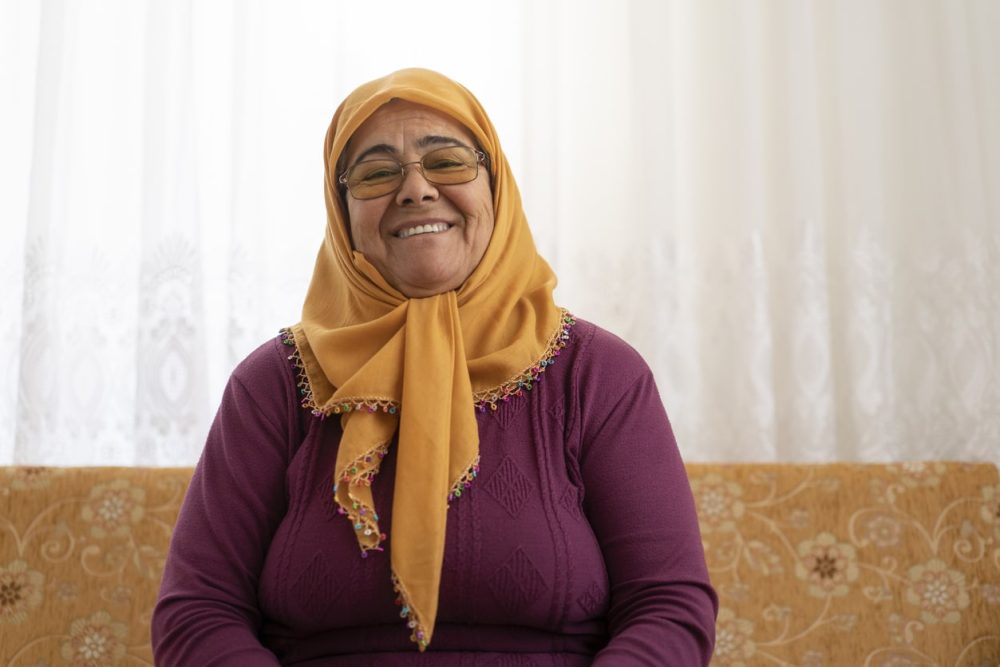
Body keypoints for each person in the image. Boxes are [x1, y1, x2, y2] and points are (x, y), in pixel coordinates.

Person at [152, 68, 717, 666]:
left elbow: (668, 607)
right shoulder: (276, 382)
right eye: (376, 172)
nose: (416, 190)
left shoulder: (596, 374)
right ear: (341, 214)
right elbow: (198, 611)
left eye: (446, 162)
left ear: (495, 186)